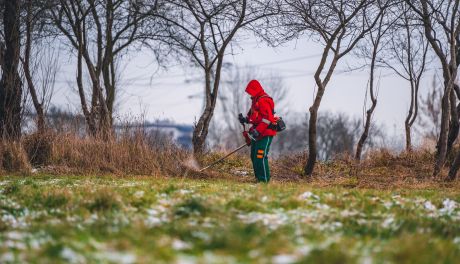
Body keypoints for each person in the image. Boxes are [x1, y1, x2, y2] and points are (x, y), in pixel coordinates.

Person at [239, 80, 277, 183]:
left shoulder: (264, 100)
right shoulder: (255, 100)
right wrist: (245, 120)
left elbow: (267, 118)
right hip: (257, 133)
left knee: (260, 156)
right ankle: (258, 179)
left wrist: (258, 130)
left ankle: (264, 181)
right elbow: (253, 116)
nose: (249, 94)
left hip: (265, 133)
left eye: (250, 91)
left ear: (255, 90)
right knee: (254, 156)